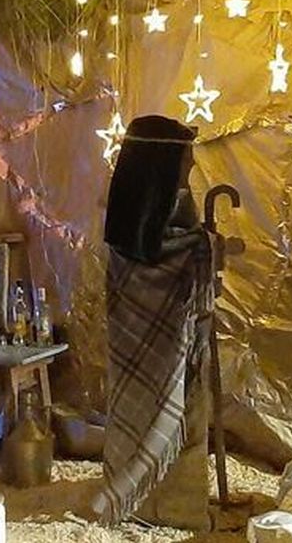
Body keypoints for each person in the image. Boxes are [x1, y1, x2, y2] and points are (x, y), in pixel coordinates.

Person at [91, 115, 215, 531]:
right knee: (154, 407)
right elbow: (161, 261)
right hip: (146, 355)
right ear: (162, 164)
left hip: (181, 354)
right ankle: (142, 499)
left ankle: (175, 504)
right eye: (185, 159)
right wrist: (203, 245)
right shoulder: (132, 234)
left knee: (186, 412)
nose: (193, 167)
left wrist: (204, 245)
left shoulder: (175, 212)